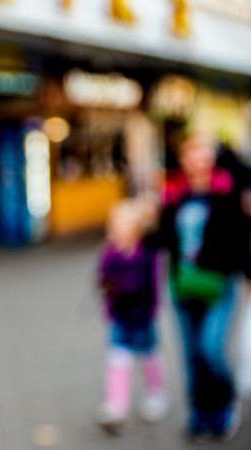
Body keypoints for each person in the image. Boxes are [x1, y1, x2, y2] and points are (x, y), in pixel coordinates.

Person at [155, 130, 251, 442]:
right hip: (182, 286)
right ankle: (199, 414)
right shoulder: (174, 194)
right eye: (192, 152)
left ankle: (225, 406)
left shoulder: (228, 191)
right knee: (190, 354)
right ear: (183, 158)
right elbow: (163, 239)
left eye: (203, 151)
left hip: (218, 285)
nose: (198, 158)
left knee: (211, 347)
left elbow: (241, 239)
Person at [95, 198, 168, 435]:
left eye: (123, 225)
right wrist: (107, 294)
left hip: (142, 314)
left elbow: (155, 282)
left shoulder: (147, 251)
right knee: (118, 359)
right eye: (114, 225)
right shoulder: (109, 253)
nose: (117, 231)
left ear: (136, 228)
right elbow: (103, 278)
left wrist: (154, 307)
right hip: (120, 315)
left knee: (149, 356)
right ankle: (117, 405)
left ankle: (156, 394)